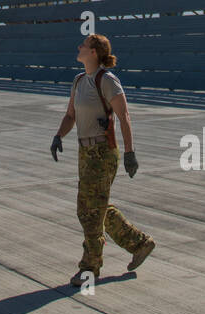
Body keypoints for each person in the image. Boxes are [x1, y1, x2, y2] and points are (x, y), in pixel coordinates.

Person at [50, 34, 155, 287]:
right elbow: (70, 115)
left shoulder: (106, 80)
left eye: (84, 45)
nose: (79, 47)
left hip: (102, 152)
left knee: (88, 211)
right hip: (84, 152)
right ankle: (140, 243)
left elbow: (124, 115)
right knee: (97, 207)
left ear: (94, 52)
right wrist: (58, 135)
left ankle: (90, 267)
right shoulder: (78, 81)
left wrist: (130, 152)